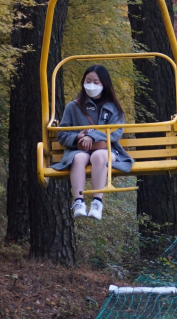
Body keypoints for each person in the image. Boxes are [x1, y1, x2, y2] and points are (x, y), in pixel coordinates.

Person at [50, 65, 133, 219]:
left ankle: (97, 202)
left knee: (99, 156)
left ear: (104, 84)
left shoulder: (113, 108)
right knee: (78, 158)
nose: (91, 85)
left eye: (96, 82)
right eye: (88, 81)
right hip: (79, 149)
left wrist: (93, 136)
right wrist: (77, 137)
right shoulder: (73, 107)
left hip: (107, 150)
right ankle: (79, 201)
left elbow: (115, 133)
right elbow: (61, 134)